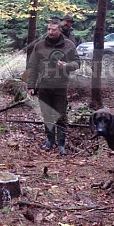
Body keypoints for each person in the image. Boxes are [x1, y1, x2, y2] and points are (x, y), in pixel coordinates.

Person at [27, 18, 80, 155]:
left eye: (53, 30)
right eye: (48, 29)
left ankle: (61, 143)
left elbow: (77, 63)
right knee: (47, 114)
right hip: (44, 85)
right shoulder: (39, 46)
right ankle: (49, 140)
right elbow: (32, 67)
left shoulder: (69, 45)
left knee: (61, 115)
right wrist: (31, 85)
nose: (50, 32)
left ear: (59, 30)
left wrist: (67, 66)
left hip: (61, 86)